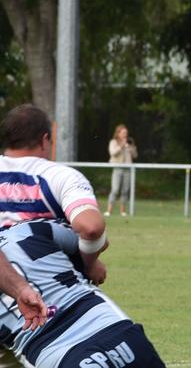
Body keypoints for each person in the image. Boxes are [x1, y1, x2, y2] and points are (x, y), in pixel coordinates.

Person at [0, 103, 108, 368]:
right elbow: (91, 226)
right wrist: (90, 263)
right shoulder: (59, 176)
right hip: (45, 309)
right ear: (45, 139)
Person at [0, 217, 166, 367]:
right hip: (111, 326)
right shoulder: (30, 228)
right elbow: (97, 241)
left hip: (55, 353)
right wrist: (91, 264)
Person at [105, 124, 137, 217]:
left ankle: (123, 211)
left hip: (127, 169)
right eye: (123, 133)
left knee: (125, 190)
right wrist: (121, 146)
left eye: (126, 133)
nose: (125, 134)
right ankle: (109, 211)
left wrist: (132, 147)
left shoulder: (129, 143)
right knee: (115, 189)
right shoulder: (113, 142)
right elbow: (112, 153)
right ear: (118, 133)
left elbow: (135, 155)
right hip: (117, 168)